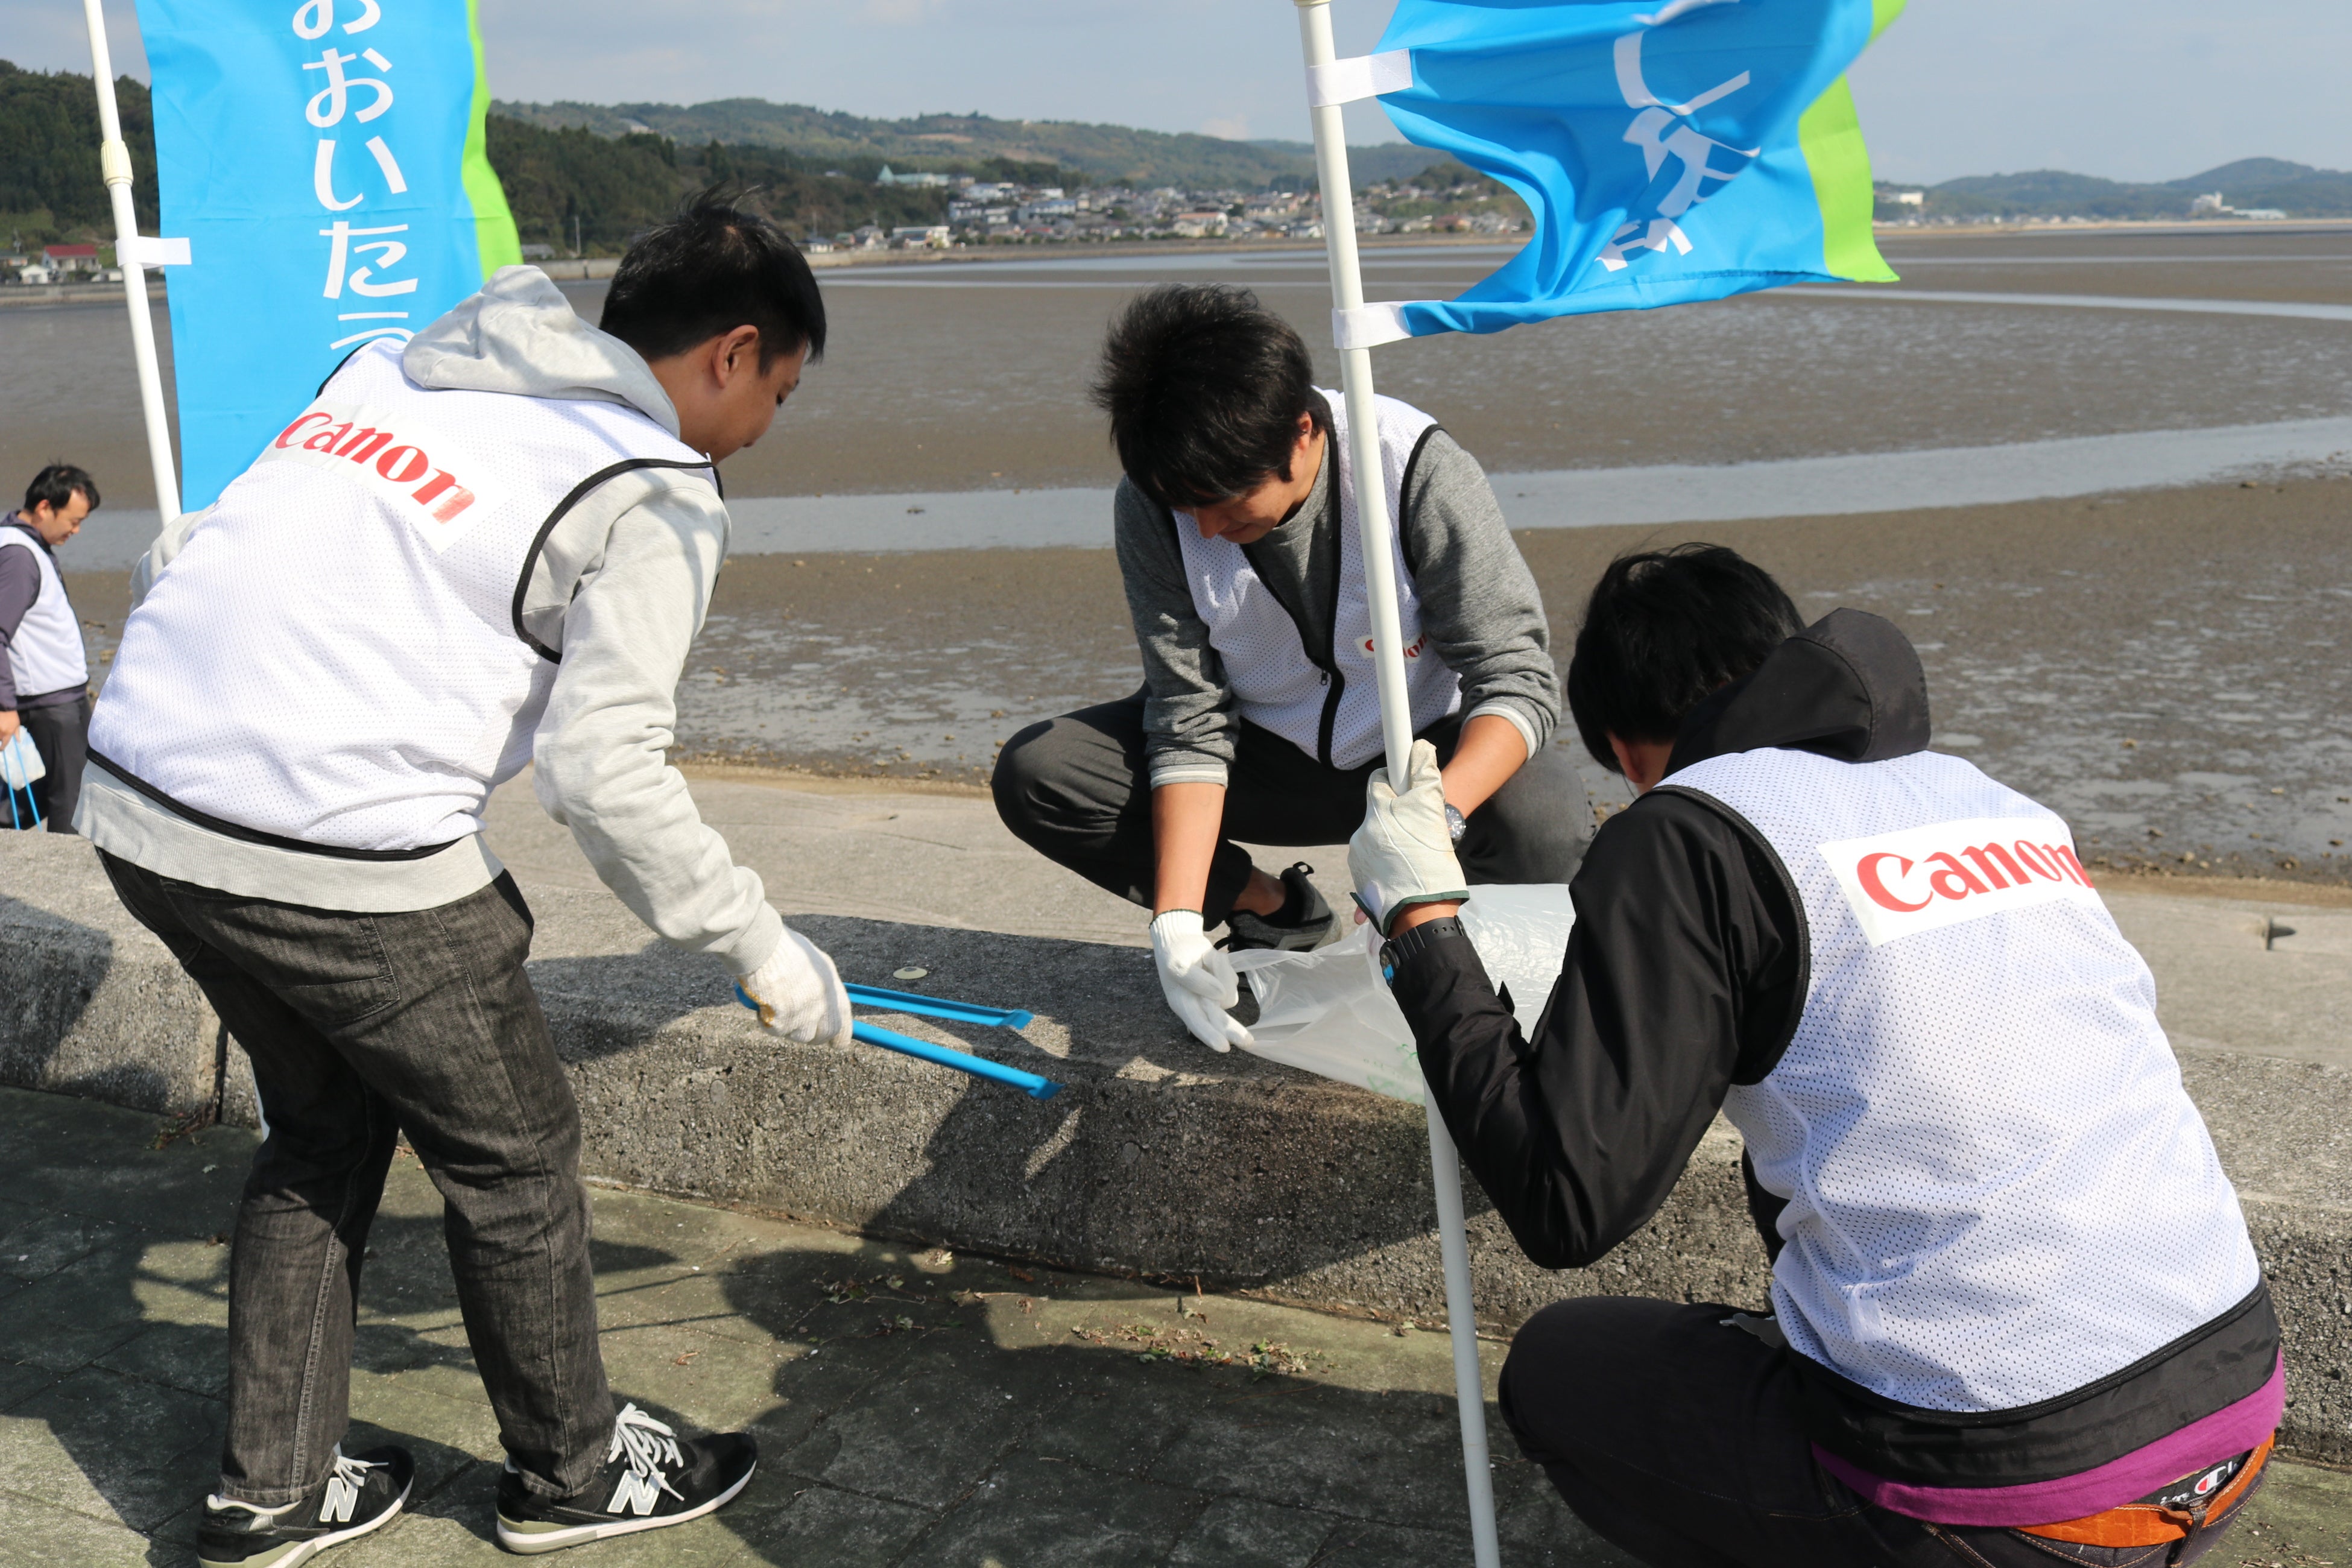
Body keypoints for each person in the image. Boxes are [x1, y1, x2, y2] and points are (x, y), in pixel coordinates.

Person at [80, 195, 851, 1564]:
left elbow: (215, 535)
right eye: (778, 393)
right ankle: (571, 1470)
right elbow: (603, 773)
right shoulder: (652, 493)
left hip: (144, 793)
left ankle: (272, 1485)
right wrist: (762, 945)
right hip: (339, 843)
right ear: (731, 353)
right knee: (514, 1157)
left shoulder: (403, 360)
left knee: (319, 1129)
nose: (762, 429)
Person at [1347, 543, 2278, 1567]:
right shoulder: (1987, 797)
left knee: (1562, 1370)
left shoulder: (1685, 833)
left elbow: (1567, 1200)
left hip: (2005, 1499)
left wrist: (1421, 925)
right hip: (2231, 1411)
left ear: (1628, 749)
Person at [993, 283, 1585, 1052]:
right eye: (1184, 506)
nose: (1206, 527)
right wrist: (1173, 918)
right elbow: (1189, 717)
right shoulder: (1155, 506)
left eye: (1224, 501)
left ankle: (1473, 971)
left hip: (1423, 759)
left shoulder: (1409, 466)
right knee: (1042, 771)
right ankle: (1274, 909)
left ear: (1301, 433)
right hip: (1266, 761)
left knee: (1545, 818)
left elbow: (1519, 679)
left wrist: (1424, 827)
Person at [1, 463, 98, 832]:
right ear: (44, 508)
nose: (76, 531)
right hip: (47, 700)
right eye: (73, 521)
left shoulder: (28, 547)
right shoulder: (18, 555)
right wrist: (5, 705)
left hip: (62, 696)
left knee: (71, 785)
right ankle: (68, 880)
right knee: (72, 798)